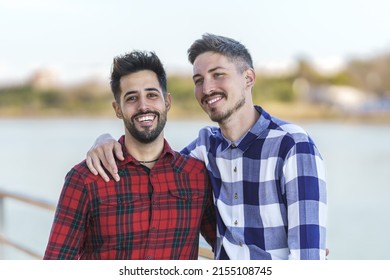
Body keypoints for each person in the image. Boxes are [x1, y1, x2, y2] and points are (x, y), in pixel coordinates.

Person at [86, 34, 327, 260]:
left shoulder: (293, 145)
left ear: (248, 78)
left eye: (218, 74)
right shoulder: (205, 147)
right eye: (198, 80)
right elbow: (153, 164)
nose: (207, 88)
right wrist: (104, 140)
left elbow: (307, 259)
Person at [44, 50, 216, 260]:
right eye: (132, 98)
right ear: (118, 109)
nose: (143, 106)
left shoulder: (196, 175)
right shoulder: (85, 179)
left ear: (167, 102)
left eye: (152, 95)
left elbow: (226, 242)